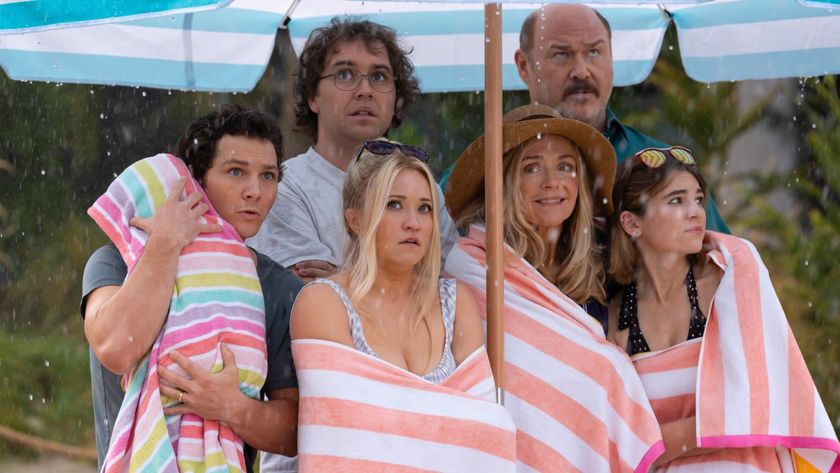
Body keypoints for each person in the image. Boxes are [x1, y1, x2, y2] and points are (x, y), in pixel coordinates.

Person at [80, 105, 302, 472]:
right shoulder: (116, 260)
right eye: (236, 172)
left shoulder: (278, 287)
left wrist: (232, 407)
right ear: (195, 180)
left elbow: (294, 431)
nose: (254, 191)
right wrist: (165, 245)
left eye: (268, 176)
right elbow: (116, 348)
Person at [444, 104, 664, 472]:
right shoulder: (474, 274)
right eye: (532, 168)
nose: (552, 182)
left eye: (565, 166)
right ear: (504, 183)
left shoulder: (601, 274)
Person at [606, 146, 840, 470]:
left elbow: (757, 408)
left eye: (698, 199)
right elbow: (618, 440)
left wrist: (661, 439)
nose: (695, 212)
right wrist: (709, 427)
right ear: (632, 224)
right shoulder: (615, 317)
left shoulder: (731, 281)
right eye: (676, 200)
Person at [289, 140, 516, 471]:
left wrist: (408, 429)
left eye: (424, 208)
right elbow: (344, 438)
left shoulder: (456, 302)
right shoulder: (323, 303)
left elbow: (484, 436)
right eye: (394, 205)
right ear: (356, 219)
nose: (414, 222)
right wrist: (446, 428)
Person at [440, 3, 729, 233]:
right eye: (561, 55)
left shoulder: (662, 166)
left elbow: (721, 268)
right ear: (524, 66)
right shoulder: (481, 173)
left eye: (594, 52)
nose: (581, 70)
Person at [248, 17, 457, 281]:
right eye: (345, 74)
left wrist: (342, 277)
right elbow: (312, 300)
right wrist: (409, 283)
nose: (365, 90)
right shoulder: (284, 187)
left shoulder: (422, 186)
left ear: (395, 96)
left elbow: (453, 289)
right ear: (313, 96)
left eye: (380, 76)